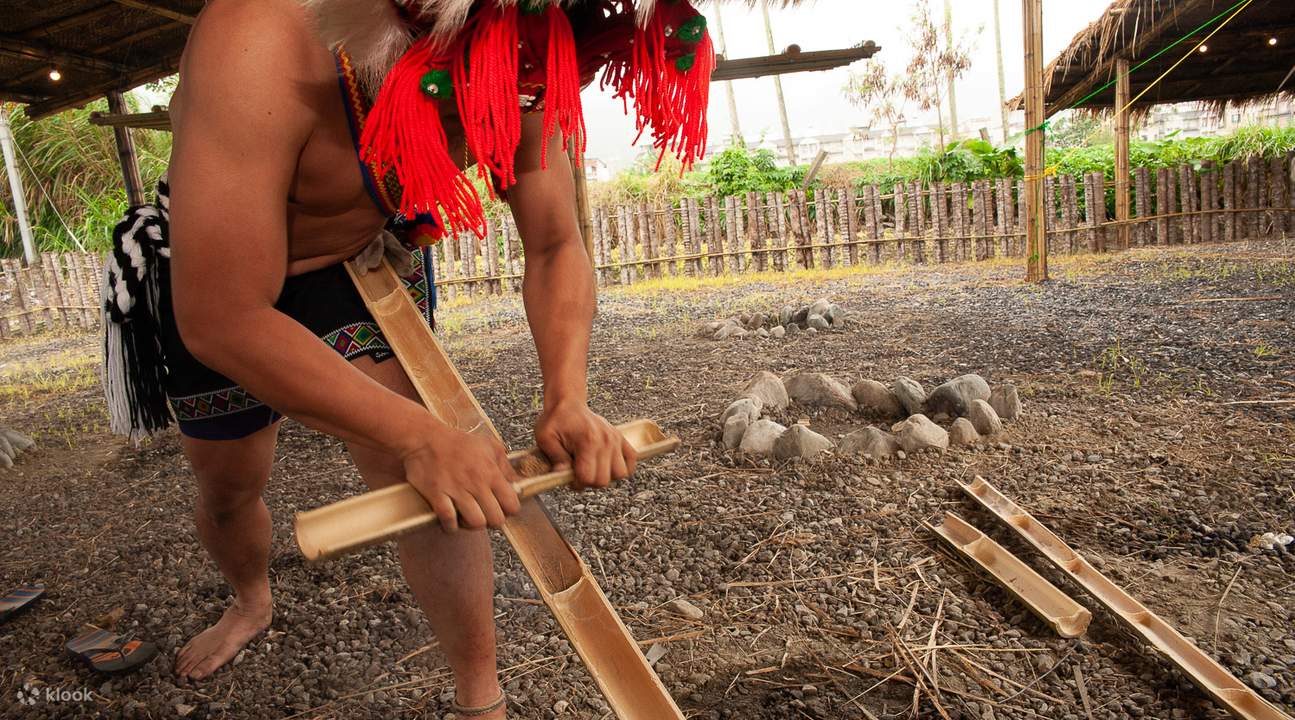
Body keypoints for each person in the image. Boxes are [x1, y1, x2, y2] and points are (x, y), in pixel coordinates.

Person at [103, 0, 714, 716]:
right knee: (231, 487)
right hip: (216, 273)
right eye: (458, 108)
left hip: (352, 262)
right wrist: (422, 436)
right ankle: (250, 599)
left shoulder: (527, 48)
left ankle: (479, 700)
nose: (471, 140)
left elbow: (554, 244)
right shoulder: (259, 36)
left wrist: (566, 398)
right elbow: (221, 317)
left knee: (444, 485)